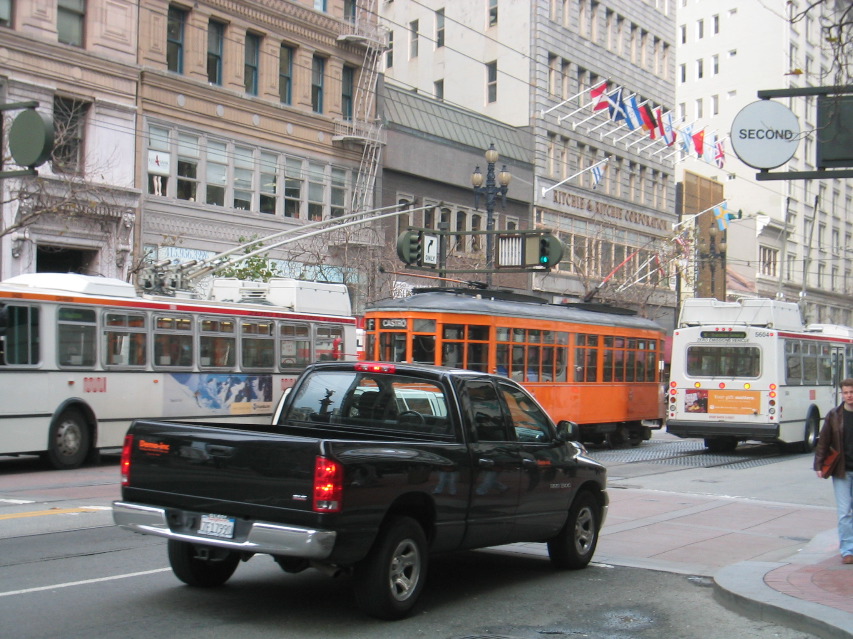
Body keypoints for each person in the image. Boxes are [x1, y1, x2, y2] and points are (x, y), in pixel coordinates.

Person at [814, 378, 853, 565]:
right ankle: (847, 550)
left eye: (851, 392)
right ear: (842, 394)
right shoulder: (834, 415)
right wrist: (819, 465)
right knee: (844, 512)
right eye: (846, 392)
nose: (849, 396)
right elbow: (824, 441)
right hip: (842, 471)